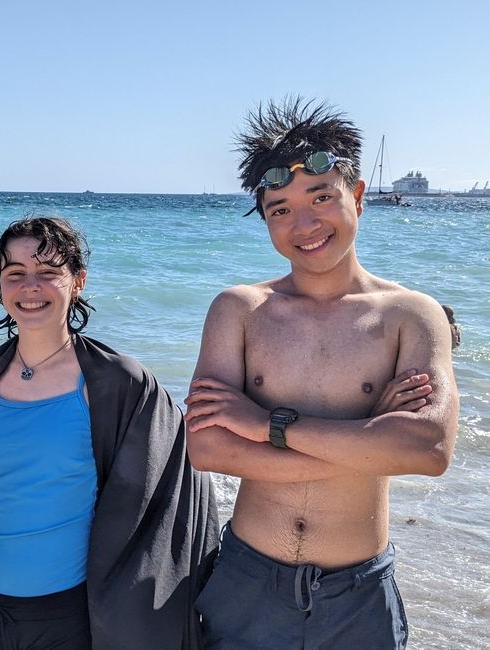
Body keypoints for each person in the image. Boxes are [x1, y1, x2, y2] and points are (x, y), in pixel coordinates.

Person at [184, 98, 459, 649]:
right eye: (279, 209)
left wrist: (266, 424)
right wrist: (367, 442)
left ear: (357, 197)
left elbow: (428, 451)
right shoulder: (239, 310)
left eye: (321, 198)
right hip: (246, 580)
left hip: (357, 594)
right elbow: (208, 448)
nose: (303, 225)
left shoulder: (410, 314)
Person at [0, 217, 219, 650]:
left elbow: (176, 493)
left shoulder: (117, 381)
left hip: (66, 615)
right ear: (0, 286)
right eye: (15, 274)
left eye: (49, 272)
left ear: (78, 282)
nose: (30, 285)